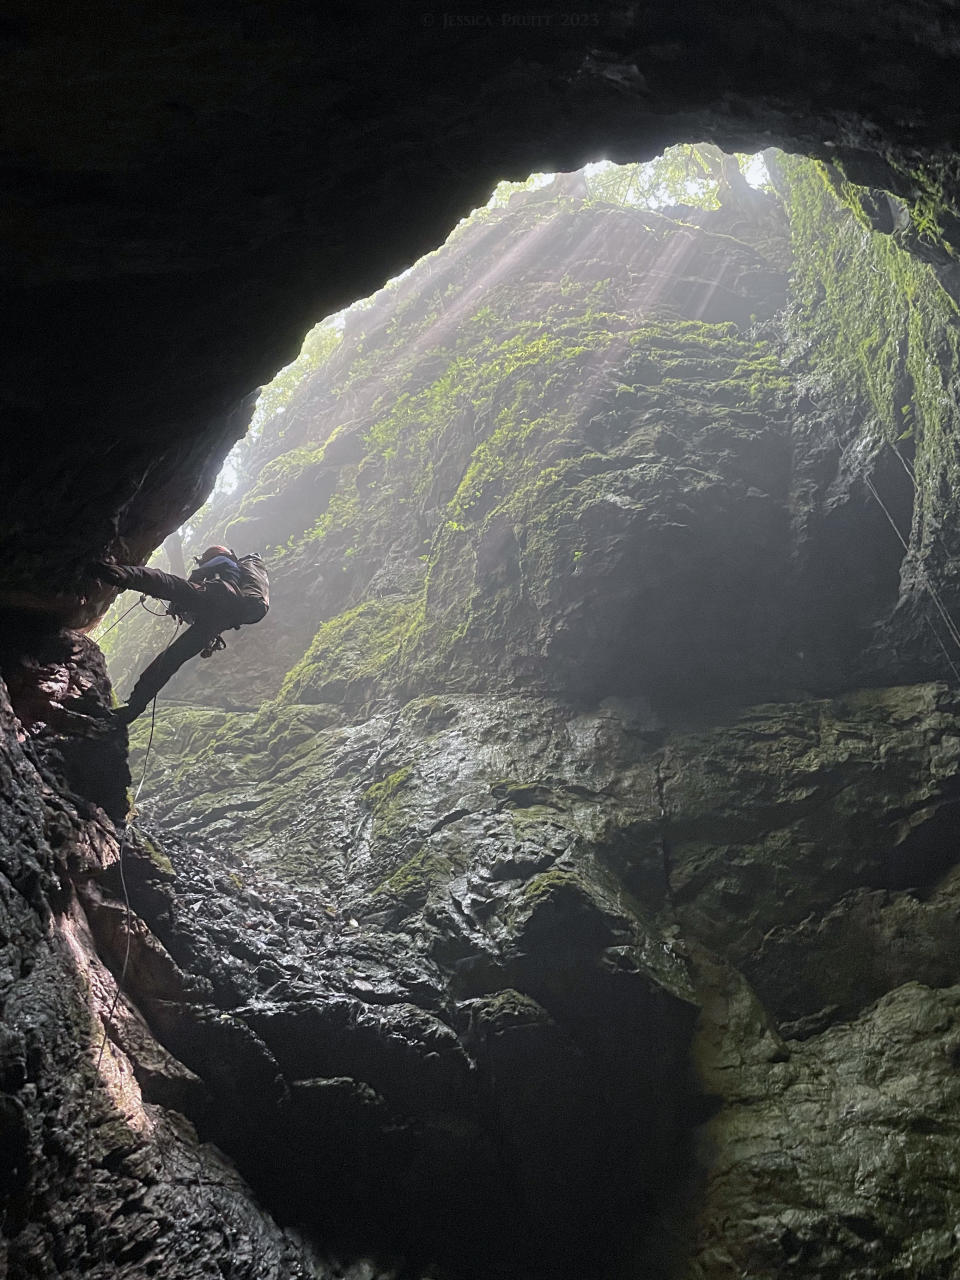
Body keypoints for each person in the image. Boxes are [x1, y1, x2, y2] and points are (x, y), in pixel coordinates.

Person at [90, 544, 269, 724]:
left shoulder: (224, 561)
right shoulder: (239, 578)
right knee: (170, 659)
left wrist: (180, 598)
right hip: (221, 620)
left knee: (166, 582)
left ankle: (116, 573)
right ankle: (133, 710)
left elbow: (193, 580)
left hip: (221, 597)